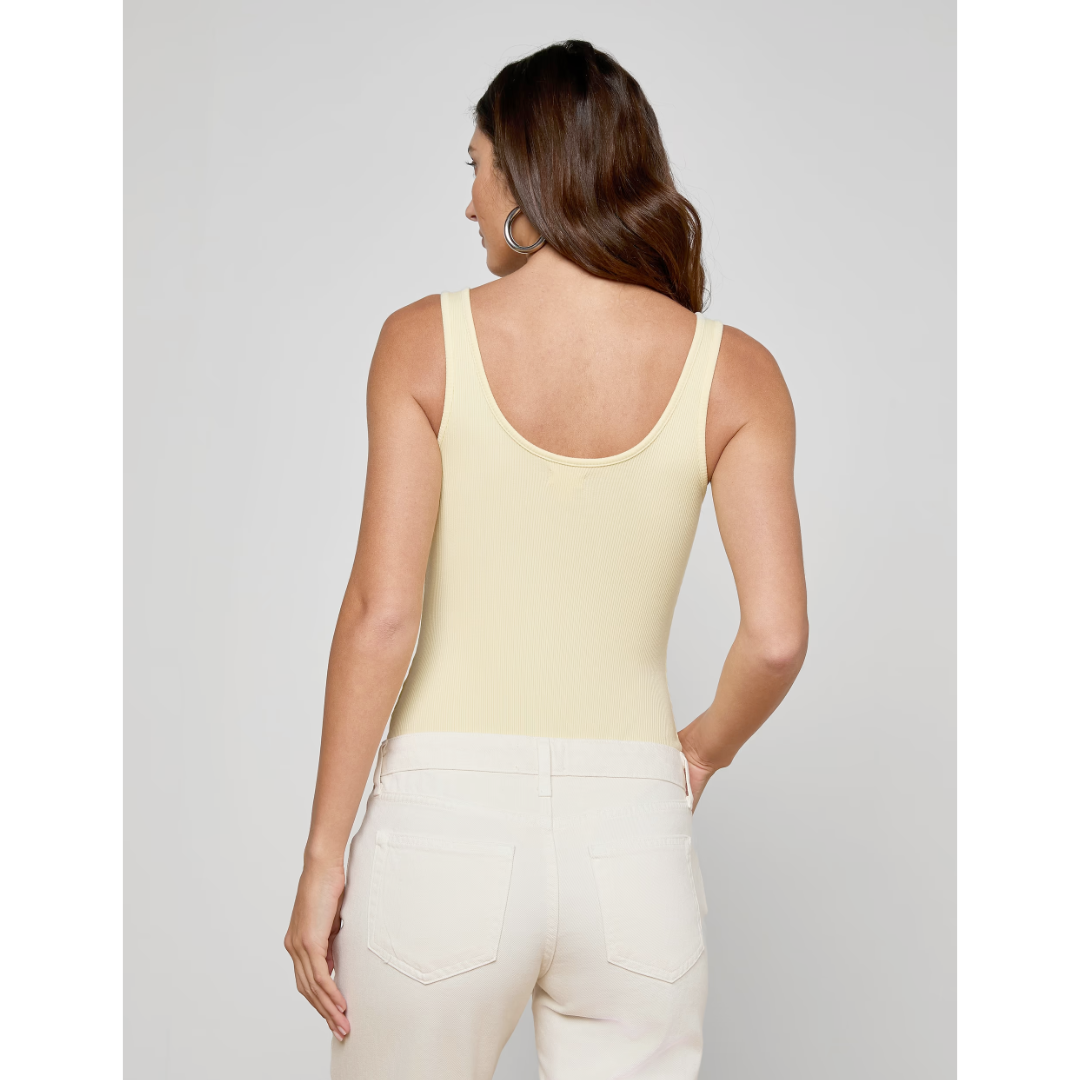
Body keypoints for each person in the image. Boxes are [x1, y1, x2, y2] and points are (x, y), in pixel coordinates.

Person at [285, 39, 808, 1080]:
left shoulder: (422, 342)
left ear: (529, 176)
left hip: (442, 834)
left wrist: (321, 857)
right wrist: (703, 751)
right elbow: (777, 638)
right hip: (634, 843)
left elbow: (382, 616)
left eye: (477, 168)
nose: (469, 203)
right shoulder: (736, 372)